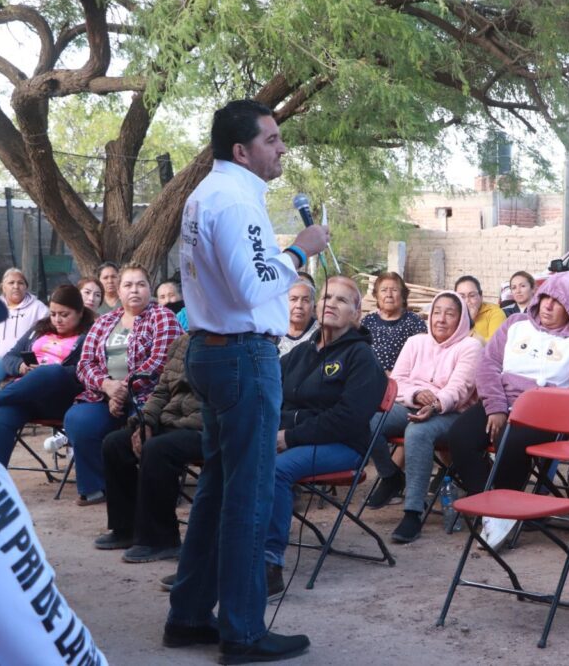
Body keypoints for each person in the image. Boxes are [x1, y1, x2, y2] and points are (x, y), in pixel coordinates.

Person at [166, 99, 329, 662]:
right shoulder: (234, 200)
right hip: (240, 356)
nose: (282, 148)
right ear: (242, 150)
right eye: (273, 139)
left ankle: (189, 615)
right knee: (249, 496)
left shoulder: (207, 195)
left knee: (217, 489)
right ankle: (242, 630)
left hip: (215, 354)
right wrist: (299, 252)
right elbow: (251, 284)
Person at [0, 254, 107, 664]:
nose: (55, 318)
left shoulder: (91, 332)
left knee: (45, 378)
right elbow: (36, 630)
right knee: (6, 411)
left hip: (62, 391)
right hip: (25, 394)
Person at [444, 271, 569, 550]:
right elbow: (488, 365)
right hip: (502, 400)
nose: (548, 306)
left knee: (511, 441)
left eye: (559, 302)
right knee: (459, 436)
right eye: (545, 299)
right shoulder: (516, 323)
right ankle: (491, 505)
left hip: (546, 412)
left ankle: (502, 512)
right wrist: (495, 407)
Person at [264, 277, 386, 595]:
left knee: (277, 470)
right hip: (295, 436)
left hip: (343, 446)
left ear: (357, 314)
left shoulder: (362, 358)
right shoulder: (302, 353)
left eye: (342, 301)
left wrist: (290, 435)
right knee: (234, 457)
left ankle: (269, 565)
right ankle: (225, 555)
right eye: (328, 297)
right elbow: (272, 393)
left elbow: (347, 418)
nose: (331, 303)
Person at [364, 291, 482, 543]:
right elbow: (397, 382)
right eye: (437, 312)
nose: (441, 319)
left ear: (461, 319)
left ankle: (412, 512)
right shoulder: (416, 342)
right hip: (411, 402)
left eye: (450, 314)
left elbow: (460, 388)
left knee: (418, 432)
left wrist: (437, 403)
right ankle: (391, 476)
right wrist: (417, 395)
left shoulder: (470, 346)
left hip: (451, 412)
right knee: (368, 421)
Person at [66, 264, 182, 506]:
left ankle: (152, 490)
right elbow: (85, 363)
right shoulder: (104, 321)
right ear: (118, 291)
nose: (134, 290)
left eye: (141, 284)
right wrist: (107, 386)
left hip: (150, 395)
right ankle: (96, 487)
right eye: (128, 285)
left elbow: (159, 363)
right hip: (104, 394)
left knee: (141, 427)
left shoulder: (162, 316)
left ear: (150, 289)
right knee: (78, 419)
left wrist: (123, 390)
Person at [0, 285, 95, 468]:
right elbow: (10, 357)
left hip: (61, 400)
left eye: (64, 314)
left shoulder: (90, 336)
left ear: (79, 313)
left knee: (50, 371)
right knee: (2, 413)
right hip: (24, 395)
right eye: (53, 314)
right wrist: (21, 367)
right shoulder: (39, 329)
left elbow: (86, 369)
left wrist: (50, 371)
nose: (57, 320)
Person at [97, 333, 203, 563]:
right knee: (115, 443)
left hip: (206, 428)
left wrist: (165, 427)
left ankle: (161, 539)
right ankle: (127, 528)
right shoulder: (183, 342)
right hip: (170, 422)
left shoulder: (227, 344)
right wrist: (144, 422)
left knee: (157, 449)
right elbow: (161, 391)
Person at [0, 267, 49, 396]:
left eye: (20, 283)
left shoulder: (38, 308)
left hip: (24, 359)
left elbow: (46, 335)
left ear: (26, 287)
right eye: (11, 283)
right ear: (3, 287)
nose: (16, 286)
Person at [361, 271, 427, 371]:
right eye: (383, 290)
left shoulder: (414, 321)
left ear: (403, 296)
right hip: (370, 377)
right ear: (376, 296)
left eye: (394, 290)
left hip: (403, 379)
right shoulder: (367, 321)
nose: (389, 295)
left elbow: (423, 355)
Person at [455, 275, 506, 342]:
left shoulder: (495, 313)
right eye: (462, 296)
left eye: (472, 295)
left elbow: (495, 344)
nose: (467, 301)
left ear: (481, 296)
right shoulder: (453, 314)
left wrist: (470, 322)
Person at [279, 280, 319, 356]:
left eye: (305, 300)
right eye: (293, 299)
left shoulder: (321, 333)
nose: (299, 306)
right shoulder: (274, 330)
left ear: (313, 305)